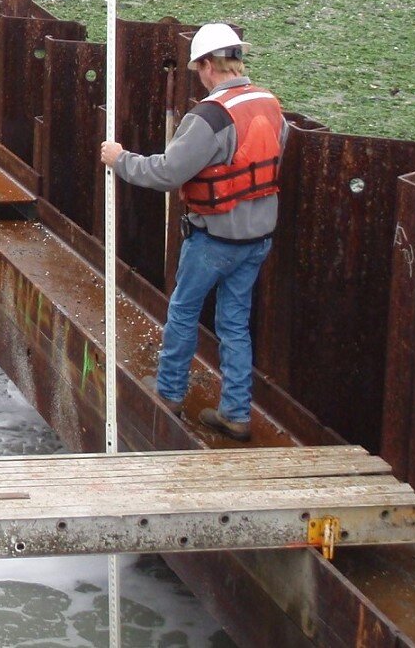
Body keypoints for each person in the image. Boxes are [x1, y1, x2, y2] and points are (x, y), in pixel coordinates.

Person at [100, 23, 287, 442]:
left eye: (198, 68)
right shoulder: (270, 104)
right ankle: (236, 412)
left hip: (214, 240)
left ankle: (168, 395)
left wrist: (121, 159)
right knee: (235, 324)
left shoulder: (209, 116)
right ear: (237, 58)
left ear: (207, 65)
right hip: (257, 240)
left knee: (183, 313)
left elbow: (167, 173)